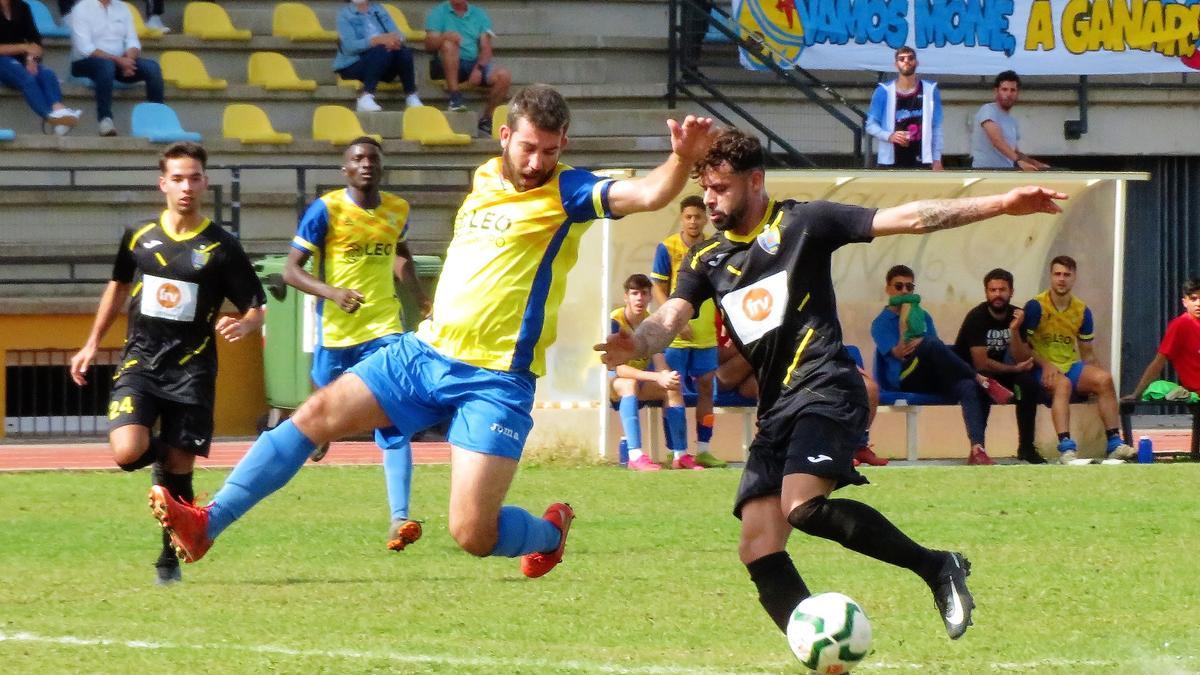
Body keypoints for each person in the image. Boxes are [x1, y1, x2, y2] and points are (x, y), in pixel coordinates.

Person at [147, 85, 718, 579]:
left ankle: (549, 535)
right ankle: (206, 525)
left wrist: (680, 160)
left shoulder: (568, 193)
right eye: (527, 147)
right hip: (424, 353)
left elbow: (646, 195)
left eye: (549, 149)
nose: (538, 160)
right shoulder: (485, 176)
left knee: (472, 533)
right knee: (312, 416)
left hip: (494, 380)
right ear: (503, 137)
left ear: (563, 144)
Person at [596, 127, 1069, 642]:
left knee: (801, 506)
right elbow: (669, 317)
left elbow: (909, 217)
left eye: (721, 188)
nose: (710, 200)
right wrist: (638, 343)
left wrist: (1001, 203)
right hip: (776, 409)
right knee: (757, 545)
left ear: (755, 181)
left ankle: (938, 567)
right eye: (705, 188)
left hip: (827, 384)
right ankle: (822, 648)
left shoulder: (805, 223)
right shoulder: (707, 261)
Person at [68, 142, 265, 585]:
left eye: (194, 177)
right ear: (162, 184)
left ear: (205, 182)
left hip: (193, 372)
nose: (186, 186)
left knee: (179, 473)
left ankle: (168, 560)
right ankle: (165, 451)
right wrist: (90, 343)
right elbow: (117, 286)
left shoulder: (220, 246)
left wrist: (248, 325)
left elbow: (256, 304)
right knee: (127, 451)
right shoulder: (138, 236)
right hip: (140, 363)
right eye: (177, 178)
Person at [283, 136, 430, 550]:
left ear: (381, 167)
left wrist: (416, 293)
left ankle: (399, 517)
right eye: (358, 159)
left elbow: (398, 251)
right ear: (344, 169)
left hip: (384, 327)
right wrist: (332, 292)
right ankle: (321, 431)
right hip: (337, 331)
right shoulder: (326, 210)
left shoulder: (397, 209)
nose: (366, 164)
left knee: (393, 420)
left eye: (372, 158)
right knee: (320, 406)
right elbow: (291, 271)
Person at [871, 265, 1013, 465]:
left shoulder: (923, 315)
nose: (904, 292)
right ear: (888, 289)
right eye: (899, 286)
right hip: (906, 377)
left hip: (930, 374)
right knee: (930, 342)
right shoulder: (881, 323)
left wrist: (922, 337)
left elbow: (936, 354)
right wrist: (904, 323)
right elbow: (901, 353)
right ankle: (981, 378)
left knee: (966, 386)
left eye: (909, 287)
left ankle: (977, 449)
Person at [1014, 255, 1137, 464]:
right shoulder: (1036, 306)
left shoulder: (1082, 310)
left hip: (1069, 365)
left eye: (1066, 275)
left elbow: (1087, 352)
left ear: (1074, 278)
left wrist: (1097, 377)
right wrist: (1045, 364)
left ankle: (1114, 444)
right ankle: (1066, 449)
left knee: (1104, 379)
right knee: (1062, 385)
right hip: (1040, 367)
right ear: (1051, 277)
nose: (1061, 279)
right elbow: (1023, 349)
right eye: (1057, 274)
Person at [651, 194, 725, 469]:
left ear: (706, 218)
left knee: (707, 387)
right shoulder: (667, 247)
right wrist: (675, 320)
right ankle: (677, 450)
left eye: (698, 216)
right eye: (688, 217)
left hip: (706, 332)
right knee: (672, 388)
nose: (693, 221)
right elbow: (658, 286)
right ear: (682, 218)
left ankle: (704, 449)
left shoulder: (715, 246)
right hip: (676, 334)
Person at [953, 268, 1044, 464]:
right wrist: (1014, 369)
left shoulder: (1018, 316)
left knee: (1027, 384)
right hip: (975, 374)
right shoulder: (976, 317)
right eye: (992, 290)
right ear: (986, 292)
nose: (997, 294)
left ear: (1011, 292)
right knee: (981, 387)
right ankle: (979, 450)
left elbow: (1023, 358)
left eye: (1002, 290)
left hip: (1005, 372)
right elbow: (980, 362)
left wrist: (1014, 330)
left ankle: (1026, 448)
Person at [609, 274, 685, 472]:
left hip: (641, 381)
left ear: (650, 297)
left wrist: (667, 377)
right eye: (634, 294)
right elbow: (619, 368)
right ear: (626, 297)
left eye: (644, 294)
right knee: (628, 383)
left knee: (673, 385)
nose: (639, 299)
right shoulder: (615, 320)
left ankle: (680, 455)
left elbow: (659, 361)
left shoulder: (651, 323)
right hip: (613, 383)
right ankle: (635, 455)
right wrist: (657, 377)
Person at [68, 0, 165, 137]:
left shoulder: (123, 8)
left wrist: (129, 60)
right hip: (85, 62)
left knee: (152, 68)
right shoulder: (81, 8)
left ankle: (157, 121)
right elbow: (85, 48)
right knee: (106, 66)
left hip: (120, 62)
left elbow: (132, 40)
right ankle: (105, 119)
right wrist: (119, 61)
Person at [423, 0, 511, 137]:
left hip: (472, 63)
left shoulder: (479, 14)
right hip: (444, 64)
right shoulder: (438, 12)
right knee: (448, 45)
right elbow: (428, 45)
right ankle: (455, 98)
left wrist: (479, 68)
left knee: (503, 75)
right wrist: (444, 37)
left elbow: (486, 48)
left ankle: (487, 119)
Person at [0, 0, 82, 135]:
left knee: (48, 74)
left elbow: (35, 41)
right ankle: (51, 117)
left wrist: (32, 59)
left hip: (22, 60)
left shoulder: (23, 7)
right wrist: (23, 47)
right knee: (27, 79)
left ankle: (59, 109)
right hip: (3, 61)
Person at [334, 0, 422, 113]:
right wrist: (376, 41)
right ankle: (366, 97)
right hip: (354, 64)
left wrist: (395, 40)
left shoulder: (379, 9)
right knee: (380, 49)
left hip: (382, 59)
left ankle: (411, 96)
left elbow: (399, 34)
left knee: (403, 52)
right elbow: (350, 46)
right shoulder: (344, 15)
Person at [865, 46, 943, 170]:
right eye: (902, 59)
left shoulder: (930, 90)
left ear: (917, 63)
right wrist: (889, 136)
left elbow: (936, 127)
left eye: (910, 58)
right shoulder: (883, 91)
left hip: (922, 158)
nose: (906, 61)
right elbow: (870, 125)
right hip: (890, 159)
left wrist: (937, 158)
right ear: (896, 64)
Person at [1125, 278, 1200, 402]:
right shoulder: (1181, 325)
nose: (1198, 303)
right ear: (1184, 302)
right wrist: (1136, 394)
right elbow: (1159, 362)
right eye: (1193, 298)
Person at [970, 70, 1049, 171]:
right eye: (1004, 89)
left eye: (1013, 90)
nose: (1009, 94)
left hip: (1006, 173)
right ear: (996, 91)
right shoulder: (988, 110)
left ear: (1017, 93)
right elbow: (996, 140)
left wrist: (1035, 163)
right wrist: (1018, 161)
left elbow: (1014, 151)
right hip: (985, 173)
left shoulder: (1012, 121)